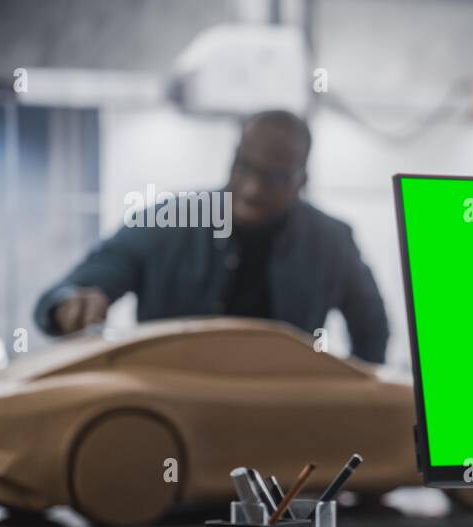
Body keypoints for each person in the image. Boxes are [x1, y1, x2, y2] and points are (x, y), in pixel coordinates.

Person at [34, 110, 390, 363]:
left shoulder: (332, 242)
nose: (252, 189)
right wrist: (72, 304)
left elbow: (372, 331)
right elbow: (65, 292)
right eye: (245, 166)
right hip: (170, 420)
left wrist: (345, 408)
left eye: (274, 178)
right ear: (233, 158)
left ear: (302, 181)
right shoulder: (168, 220)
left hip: (282, 426)